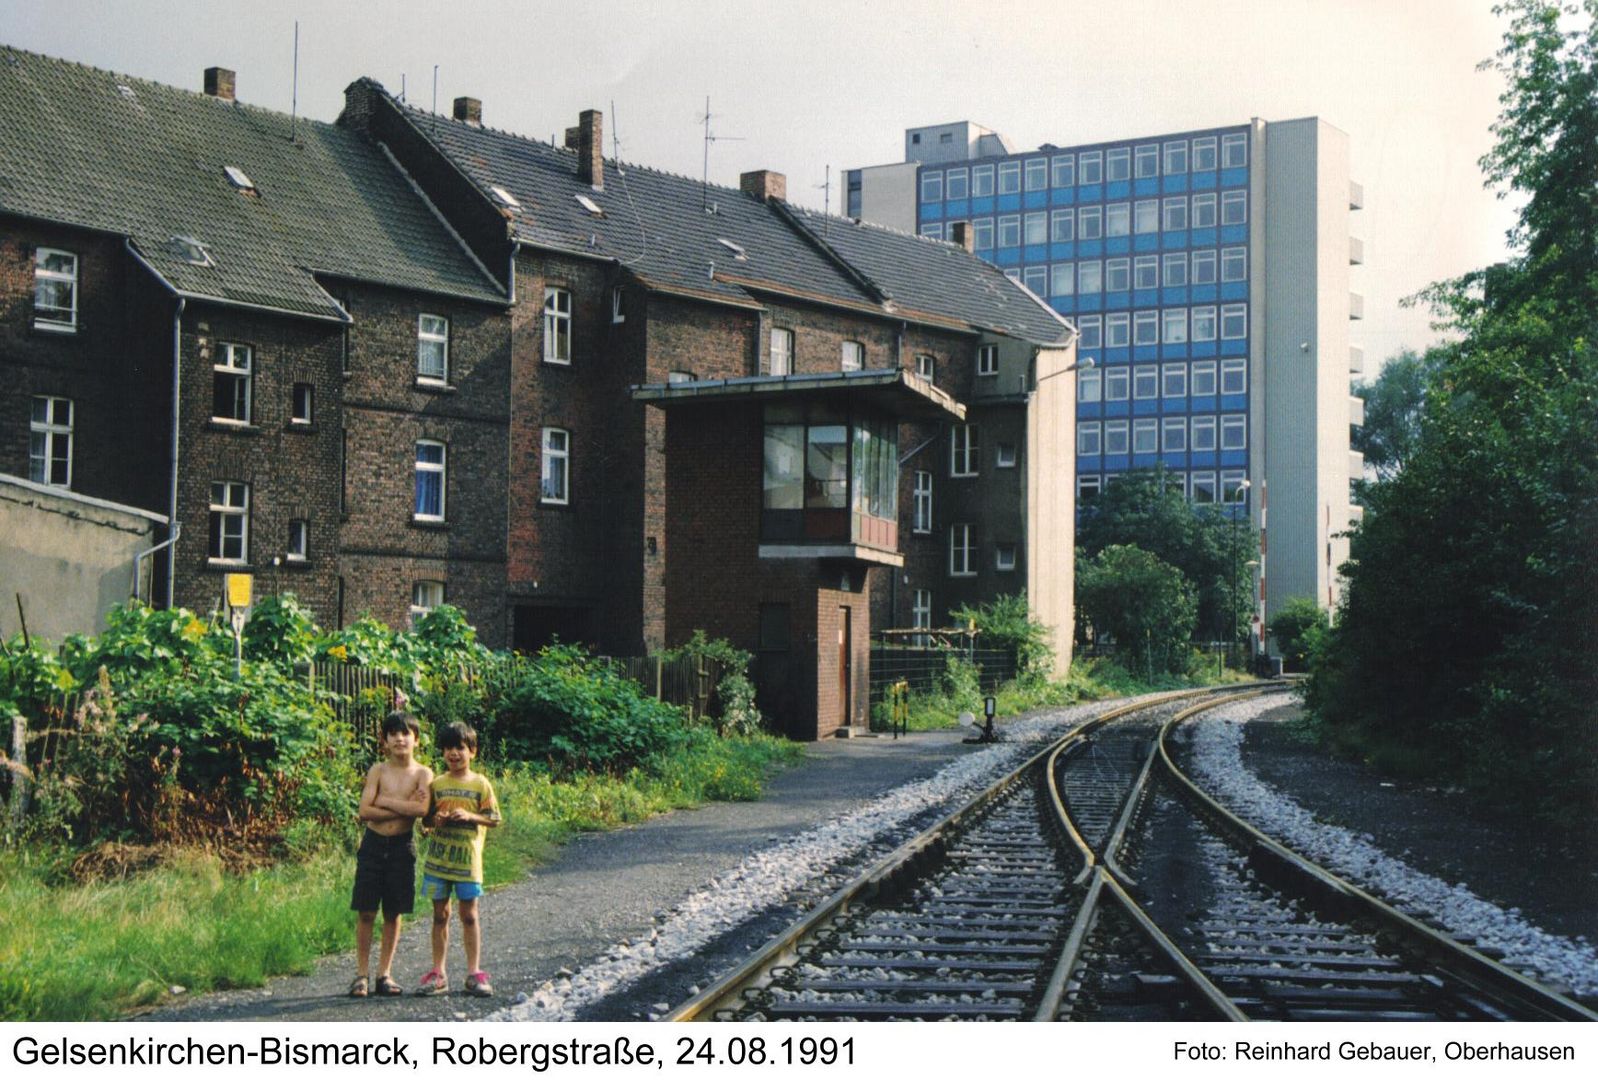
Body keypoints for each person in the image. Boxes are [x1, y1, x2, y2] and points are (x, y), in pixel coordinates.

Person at [349, 710, 432, 998]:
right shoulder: (378, 771)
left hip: (402, 846)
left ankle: (384, 973)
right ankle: (361, 974)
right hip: (373, 844)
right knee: (366, 910)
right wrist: (400, 803)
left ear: (416, 740)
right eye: (393, 734)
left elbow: (421, 811)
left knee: (393, 911)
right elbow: (364, 811)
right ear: (384, 740)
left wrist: (383, 801)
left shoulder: (423, 773)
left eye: (405, 733)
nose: (399, 738)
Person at [416, 721, 501, 997]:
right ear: (442, 753)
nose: (454, 754)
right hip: (438, 862)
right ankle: (438, 974)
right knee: (440, 915)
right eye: (448, 748)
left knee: (469, 915)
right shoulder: (437, 784)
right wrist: (434, 820)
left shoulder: (481, 784)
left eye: (460, 748)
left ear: (472, 751)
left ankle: (474, 973)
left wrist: (470, 816)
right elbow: (425, 821)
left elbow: (494, 819)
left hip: (468, 863)